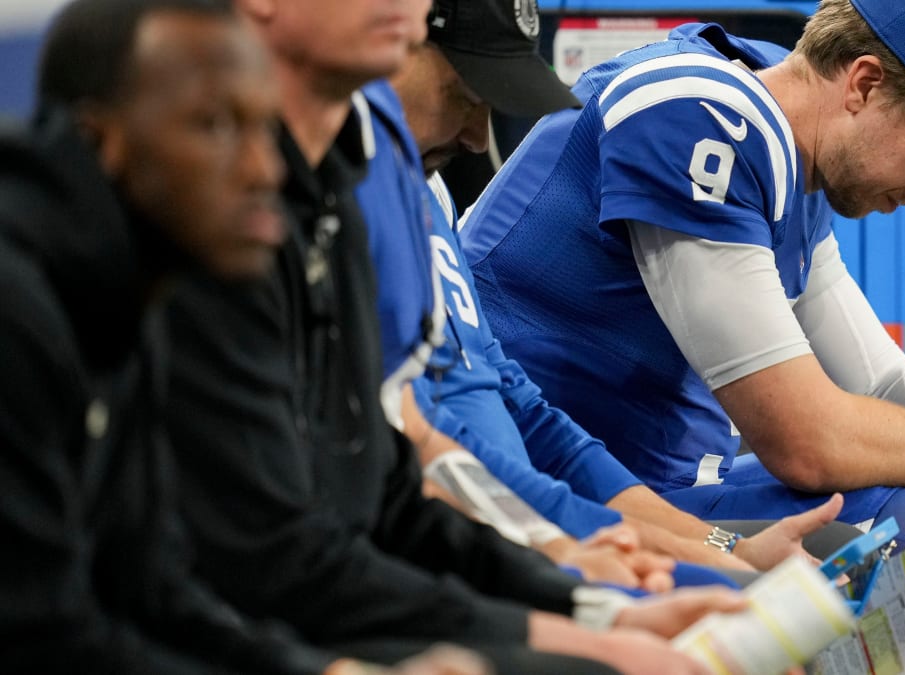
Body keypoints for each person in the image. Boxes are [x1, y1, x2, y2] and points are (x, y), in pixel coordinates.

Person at [458, 0, 905, 672]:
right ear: (864, 84)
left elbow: (879, 383)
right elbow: (803, 439)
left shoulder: (788, 121)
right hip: (556, 482)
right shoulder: (694, 116)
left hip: (661, 476)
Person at [163, 0, 738, 672]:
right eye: (463, 92)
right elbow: (245, 558)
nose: (476, 135)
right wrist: (573, 592)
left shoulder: (367, 189)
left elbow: (405, 467)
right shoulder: (220, 220)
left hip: (394, 573)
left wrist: (577, 591)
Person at [0, 0, 440, 673]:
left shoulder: (126, 291)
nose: (263, 170)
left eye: (262, 128)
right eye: (214, 126)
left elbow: (153, 591)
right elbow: (48, 640)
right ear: (98, 143)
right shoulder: (21, 313)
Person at [360, 0, 849, 582]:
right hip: (469, 560)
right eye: (464, 95)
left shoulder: (427, 195)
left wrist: (723, 552)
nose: (475, 136)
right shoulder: (345, 207)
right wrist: (573, 571)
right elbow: (427, 450)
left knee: (818, 576)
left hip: (525, 537)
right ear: (394, 39)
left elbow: (528, 419)